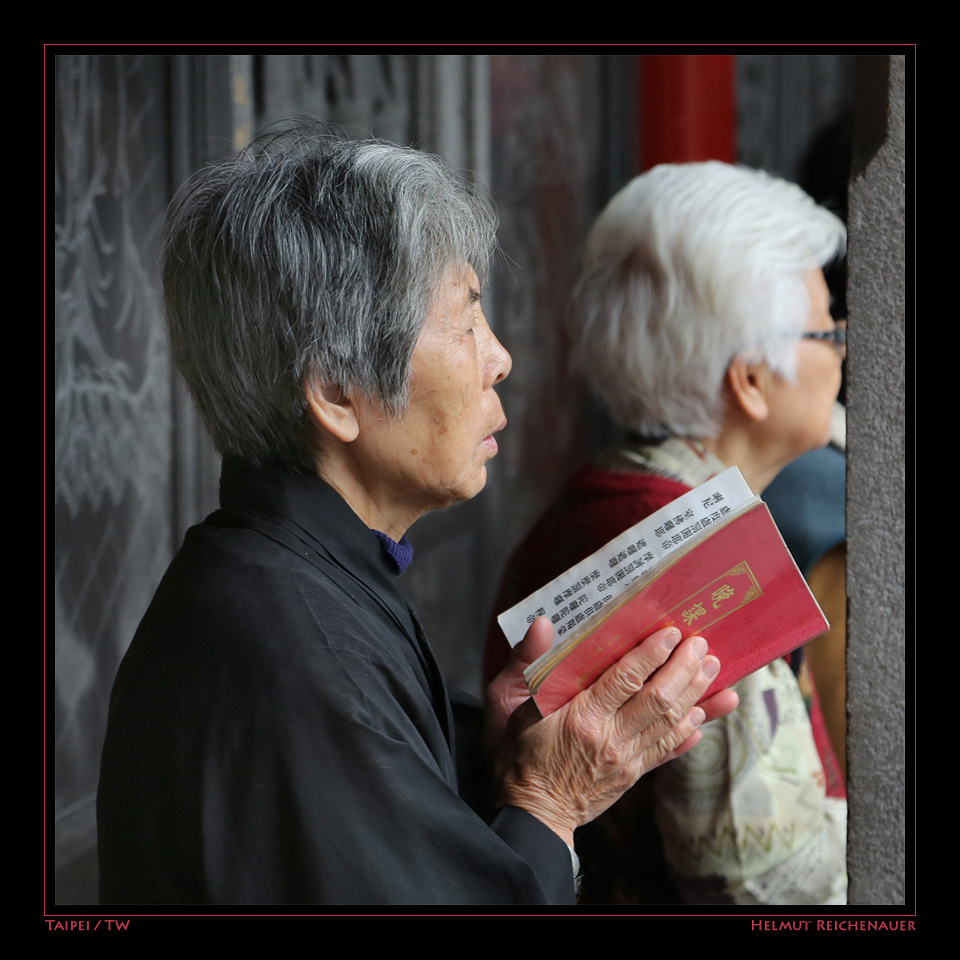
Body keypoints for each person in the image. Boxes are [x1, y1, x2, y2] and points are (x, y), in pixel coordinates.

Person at [96, 128, 738, 906]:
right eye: (465, 321)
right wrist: (549, 802)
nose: (499, 356)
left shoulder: (292, 574)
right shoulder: (298, 651)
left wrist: (493, 761)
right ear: (335, 393)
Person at [486, 161, 848, 905]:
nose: (844, 346)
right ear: (750, 379)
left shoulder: (602, 497)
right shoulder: (707, 570)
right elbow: (769, 887)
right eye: (825, 328)